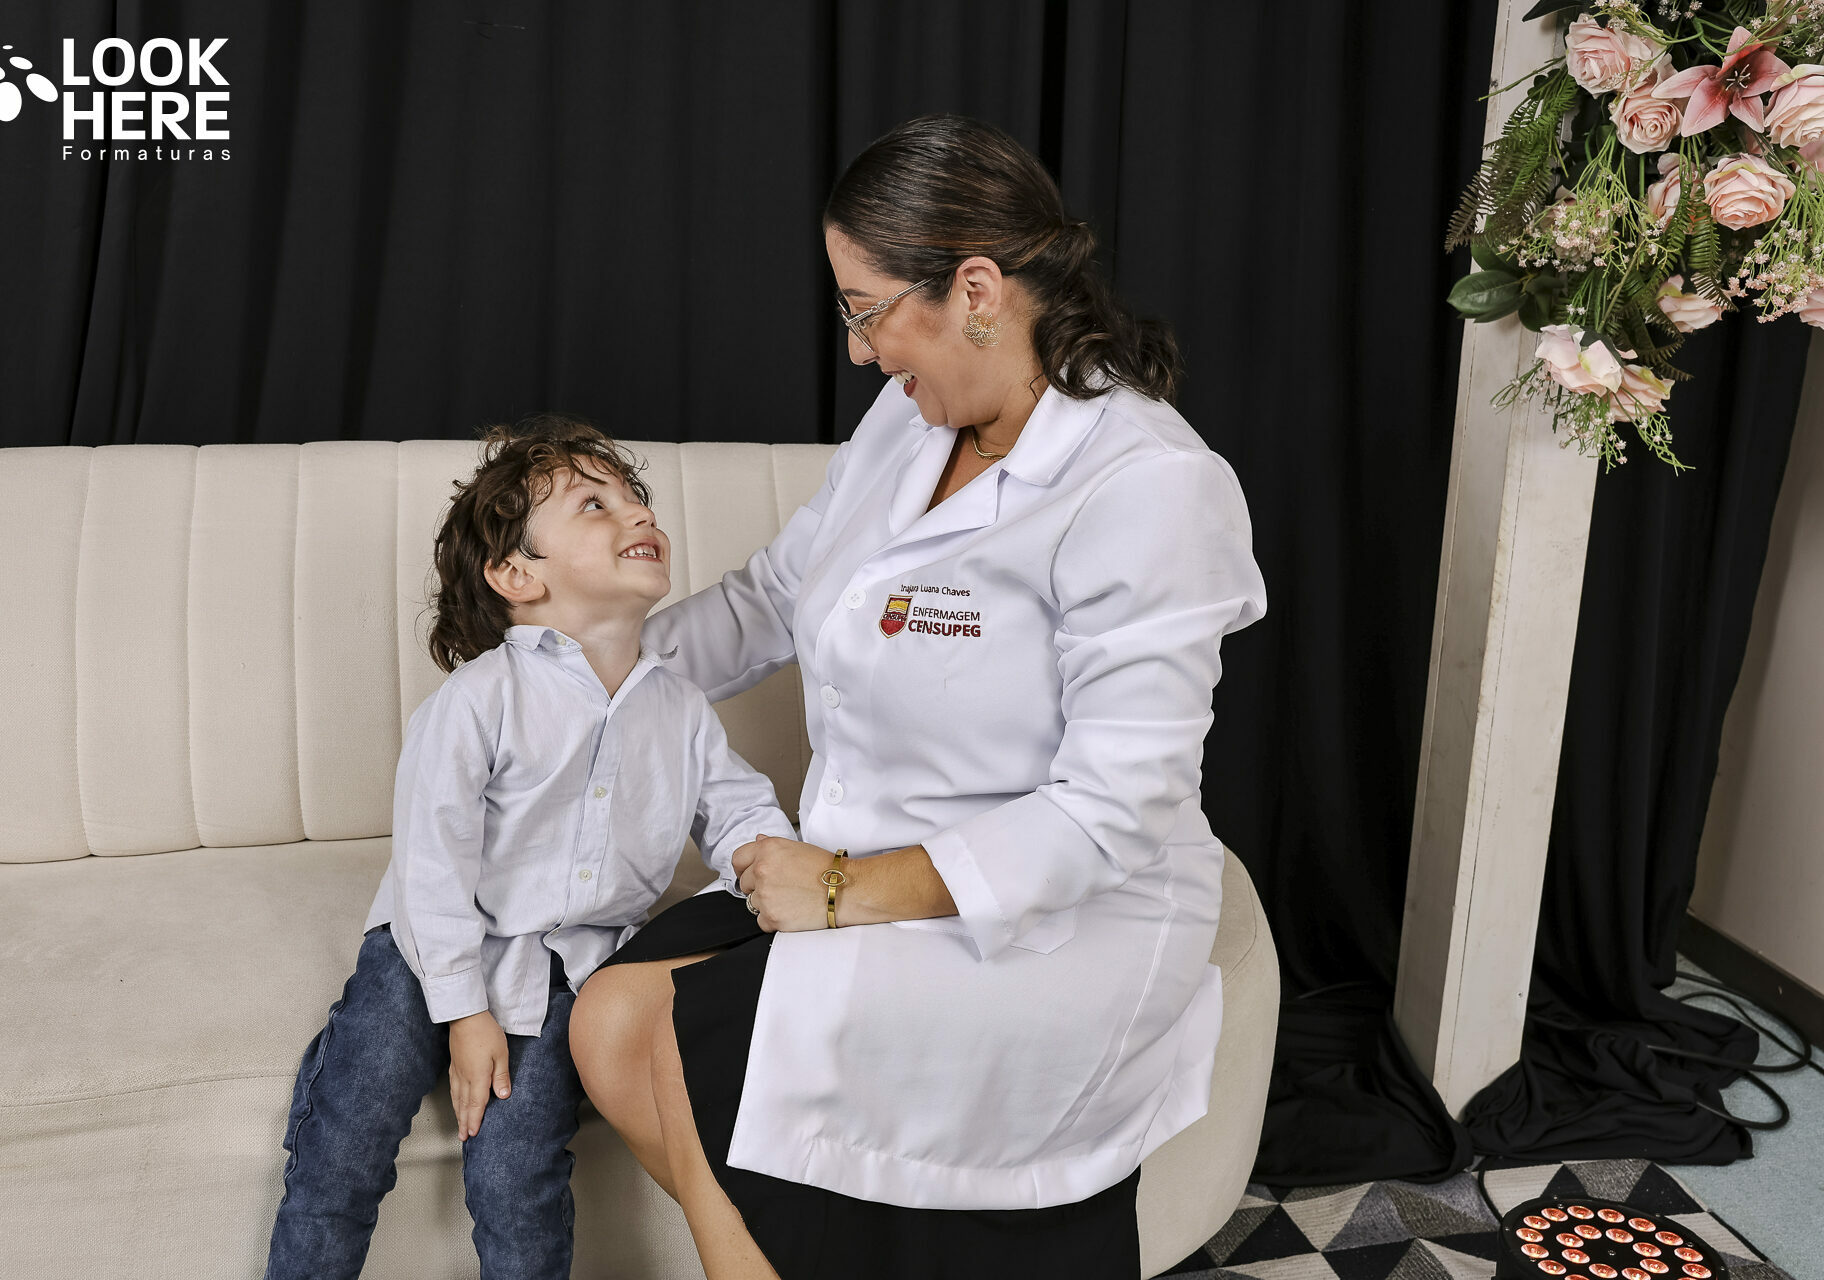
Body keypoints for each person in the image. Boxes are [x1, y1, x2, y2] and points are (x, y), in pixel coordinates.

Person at [568, 113, 1270, 1280]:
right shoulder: (910, 416)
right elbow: (774, 596)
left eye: (866, 309)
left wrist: (843, 888)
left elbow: (1113, 812)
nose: (858, 350)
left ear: (977, 290)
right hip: (864, 865)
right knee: (605, 1021)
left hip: (1050, 918)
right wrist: (588, 673)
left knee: (698, 1038)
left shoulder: (1149, 487)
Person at [262, 415, 793, 1280]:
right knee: (348, 1138)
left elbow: (743, 818)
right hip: (430, 944)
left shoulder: (682, 710)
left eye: (636, 498)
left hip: (568, 972)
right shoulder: (481, 697)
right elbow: (433, 861)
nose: (637, 513)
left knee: (521, 1182)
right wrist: (464, 1013)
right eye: (594, 504)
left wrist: (785, 871)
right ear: (518, 575)